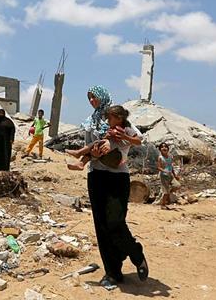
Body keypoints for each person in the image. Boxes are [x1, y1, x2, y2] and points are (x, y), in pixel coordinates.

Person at [82, 86, 148, 290]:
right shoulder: (89, 122)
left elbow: (138, 140)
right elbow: (88, 146)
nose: (92, 100)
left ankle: (136, 254)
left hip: (118, 177)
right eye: (89, 97)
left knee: (116, 221)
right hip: (96, 175)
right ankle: (113, 272)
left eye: (94, 97)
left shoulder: (118, 117)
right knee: (102, 226)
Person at [66, 105, 134, 171]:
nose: (108, 121)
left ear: (119, 118)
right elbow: (105, 140)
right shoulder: (109, 128)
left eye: (110, 119)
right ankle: (81, 163)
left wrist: (125, 137)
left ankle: (79, 153)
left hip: (117, 158)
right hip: (105, 160)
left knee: (98, 143)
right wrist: (107, 137)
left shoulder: (126, 129)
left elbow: (138, 140)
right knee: (97, 145)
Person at [157, 142, 179, 208]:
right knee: (165, 192)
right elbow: (158, 167)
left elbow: (171, 166)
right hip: (163, 176)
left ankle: (168, 194)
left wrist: (175, 175)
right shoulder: (160, 158)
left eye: (165, 147)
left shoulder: (170, 157)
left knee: (177, 185)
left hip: (170, 175)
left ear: (168, 149)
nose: (164, 148)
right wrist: (164, 171)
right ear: (160, 149)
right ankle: (163, 204)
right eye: (162, 147)